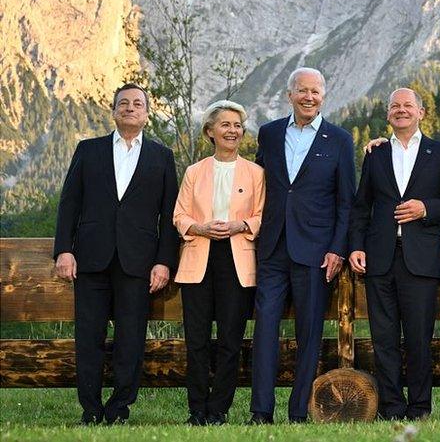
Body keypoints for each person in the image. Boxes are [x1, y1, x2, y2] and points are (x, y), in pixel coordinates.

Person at [53, 83, 179, 425]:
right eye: (123, 102)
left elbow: (169, 216)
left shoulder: (161, 156)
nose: (130, 107)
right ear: (113, 110)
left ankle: (120, 407)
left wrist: (164, 261)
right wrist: (64, 249)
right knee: (89, 337)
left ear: (147, 113)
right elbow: (69, 204)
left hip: (139, 262)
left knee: (131, 338)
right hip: (90, 260)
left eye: (138, 103)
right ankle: (91, 409)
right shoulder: (88, 150)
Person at [249, 67, 356, 424]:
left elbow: (346, 202)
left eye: (316, 91)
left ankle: (299, 413)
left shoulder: (338, 139)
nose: (309, 97)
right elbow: (257, 185)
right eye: (302, 91)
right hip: (272, 247)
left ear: (324, 96)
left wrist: (337, 248)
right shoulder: (269, 133)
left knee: (309, 335)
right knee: (264, 329)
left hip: (316, 252)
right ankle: (261, 412)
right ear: (290, 94)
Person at [348, 88, 440, 420]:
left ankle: (420, 408)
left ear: (421, 112)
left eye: (407, 106)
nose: (401, 110)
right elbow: (361, 207)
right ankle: (392, 408)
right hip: (380, 259)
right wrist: (355, 245)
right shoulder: (376, 154)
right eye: (395, 106)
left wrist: (426, 207)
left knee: (418, 340)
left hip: (421, 261)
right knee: (383, 340)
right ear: (388, 114)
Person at [173, 100, 265, 425]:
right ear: (210, 131)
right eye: (225, 125)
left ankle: (218, 410)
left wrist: (240, 225)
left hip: (237, 262)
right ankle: (197, 410)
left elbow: (261, 216)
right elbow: (179, 215)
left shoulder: (256, 173)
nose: (232, 130)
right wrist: (200, 227)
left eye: (237, 125)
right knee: (196, 341)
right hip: (199, 258)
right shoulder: (194, 172)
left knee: (231, 341)